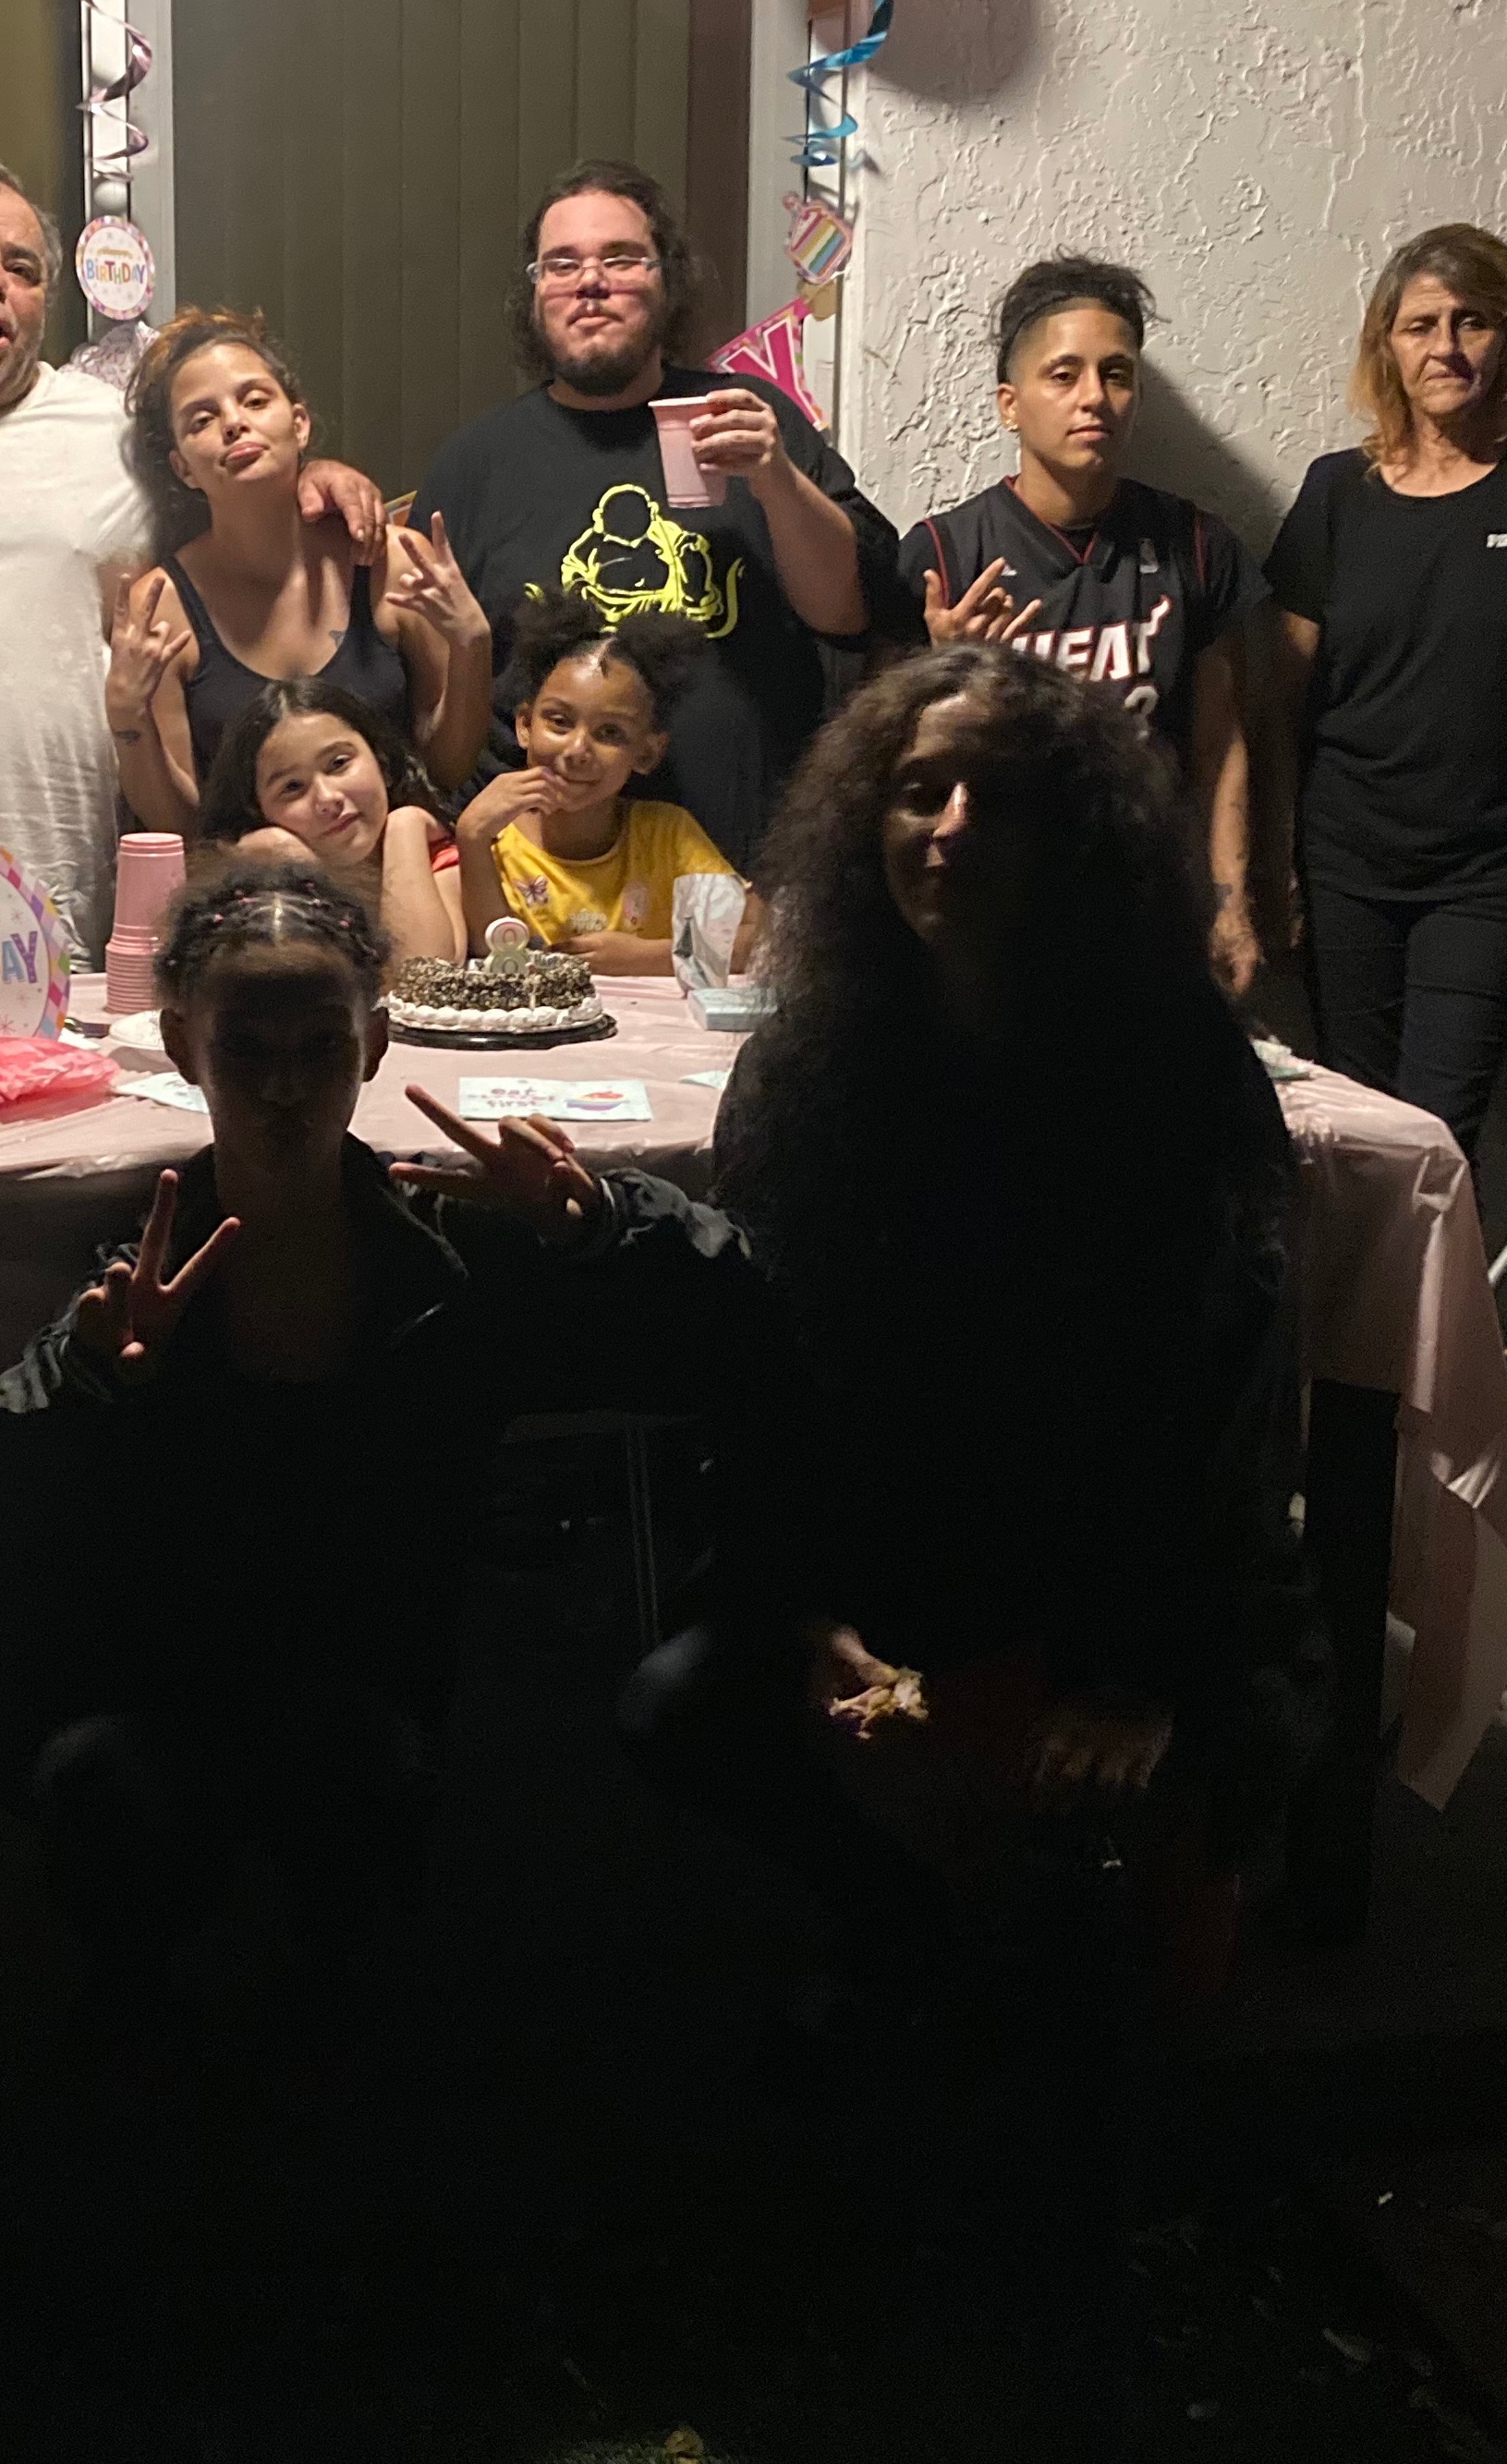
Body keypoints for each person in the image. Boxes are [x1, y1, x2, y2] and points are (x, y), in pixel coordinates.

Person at [0, 864, 753, 2047]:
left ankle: (336, 2008)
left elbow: (740, 1324)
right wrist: (77, 1387)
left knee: (356, 1781)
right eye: (246, 1052)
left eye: (319, 1048)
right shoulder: (136, 1287)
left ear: (375, 1043)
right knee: (109, 1790)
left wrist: (602, 1223)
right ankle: (138, 2009)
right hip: (137, 1684)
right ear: (181, 1047)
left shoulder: (445, 1263)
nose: (286, 1091)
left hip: (357, 1685)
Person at [622, 644, 1322, 2038]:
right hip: (905, 1555)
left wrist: (1137, 1678)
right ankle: (905, 1935)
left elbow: (1225, 1407)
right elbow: (778, 1365)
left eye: (999, 799)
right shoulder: (808, 1063)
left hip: (1121, 1574)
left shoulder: (1174, 1061)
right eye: (919, 792)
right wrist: (808, 1607)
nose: (950, 828)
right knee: (679, 1709)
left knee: (1100, 1961)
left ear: (1075, 835)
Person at [0, 166, 383, 963]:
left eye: (22, 269)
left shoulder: (111, 432)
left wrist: (314, 478)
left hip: (65, 902)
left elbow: (232, 489)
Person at [1266, 222, 1507, 1156]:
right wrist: (1275, 866)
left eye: (1471, 322)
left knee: (1437, 1133)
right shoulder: (1335, 494)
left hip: (1491, 874)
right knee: (1350, 1132)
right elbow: (1278, 706)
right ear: (1386, 348)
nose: (1446, 348)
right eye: (1420, 326)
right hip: (1346, 865)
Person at [418, 158, 910, 868]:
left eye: (621, 258)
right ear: (535, 293)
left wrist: (774, 476)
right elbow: (434, 716)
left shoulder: (745, 418)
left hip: (747, 871)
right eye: (561, 264)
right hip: (542, 887)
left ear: (666, 280)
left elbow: (849, 613)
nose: (590, 281)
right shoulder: (475, 466)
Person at [904, 257, 1265, 990]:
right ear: (1010, 404)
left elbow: (1219, 743)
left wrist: (1230, 902)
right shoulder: (945, 554)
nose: (1094, 397)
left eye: (1116, 374)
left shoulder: (1195, 545)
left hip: (1144, 903)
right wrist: (946, 673)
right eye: (1064, 375)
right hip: (989, 906)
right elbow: (891, 774)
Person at [104, 308, 490, 829]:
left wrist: (472, 645)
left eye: (255, 400)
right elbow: (180, 827)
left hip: (399, 862)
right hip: (252, 875)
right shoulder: (161, 606)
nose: (233, 423)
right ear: (182, 468)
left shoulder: (392, 561)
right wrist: (127, 719)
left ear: (299, 424)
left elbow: (443, 770)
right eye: (202, 420)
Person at [457, 590, 735, 977]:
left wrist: (647, 957)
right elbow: (497, 960)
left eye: (609, 733)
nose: (577, 750)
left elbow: (753, 938)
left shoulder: (667, 836)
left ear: (647, 753)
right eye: (559, 721)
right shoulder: (491, 838)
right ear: (524, 725)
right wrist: (471, 837)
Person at [194, 675, 465, 966]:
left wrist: (405, 825)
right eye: (292, 787)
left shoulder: (429, 853)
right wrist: (295, 865)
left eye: (338, 764)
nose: (327, 798)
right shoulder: (251, 878)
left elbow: (420, 972)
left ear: (382, 763)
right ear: (258, 811)